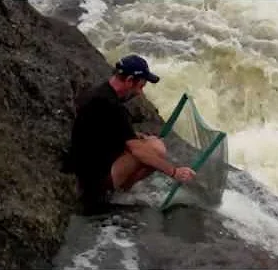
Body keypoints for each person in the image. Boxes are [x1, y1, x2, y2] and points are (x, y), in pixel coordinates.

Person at [69, 54, 196, 211]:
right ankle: (116, 193)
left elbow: (105, 130)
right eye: (140, 86)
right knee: (156, 149)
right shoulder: (112, 106)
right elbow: (137, 150)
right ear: (129, 81)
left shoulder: (99, 93)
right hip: (93, 179)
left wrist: (137, 137)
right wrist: (174, 172)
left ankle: (117, 187)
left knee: (150, 142)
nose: (140, 93)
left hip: (84, 161)